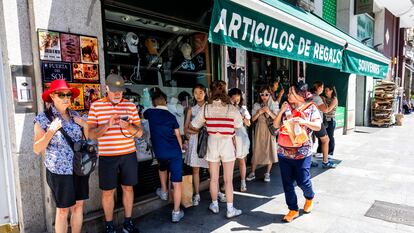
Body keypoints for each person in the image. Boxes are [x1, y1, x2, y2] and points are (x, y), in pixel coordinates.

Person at [87, 74, 142, 233]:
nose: (118, 94)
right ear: (106, 89)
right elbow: (91, 134)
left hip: (128, 154)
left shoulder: (130, 106)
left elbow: (139, 133)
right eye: (114, 91)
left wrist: (129, 127)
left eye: (120, 91)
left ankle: (127, 222)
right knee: (108, 191)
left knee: (128, 189)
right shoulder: (96, 106)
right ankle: (109, 226)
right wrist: (107, 125)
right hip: (107, 156)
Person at [33, 80, 89, 233]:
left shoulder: (75, 115)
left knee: (78, 206)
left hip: (79, 167)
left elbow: (86, 140)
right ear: (52, 96)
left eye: (68, 95)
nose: (66, 98)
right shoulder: (43, 118)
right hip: (59, 171)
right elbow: (37, 148)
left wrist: (85, 125)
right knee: (63, 210)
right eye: (61, 94)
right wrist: (50, 131)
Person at [191, 80, 243, 219]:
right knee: (228, 180)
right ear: (225, 91)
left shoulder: (206, 108)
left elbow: (194, 124)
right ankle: (230, 209)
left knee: (213, 179)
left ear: (211, 91)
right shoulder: (231, 108)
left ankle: (214, 205)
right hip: (227, 144)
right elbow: (239, 124)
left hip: (212, 143)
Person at [273, 82, 322, 223]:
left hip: (302, 152)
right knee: (287, 183)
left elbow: (318, 126)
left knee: (303, 181)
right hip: (283, 152)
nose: (288, 95)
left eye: (290, 93)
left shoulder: (311, 108)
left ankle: (309, 197)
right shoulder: (286, 107)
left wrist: (303, 121)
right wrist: (281, 111)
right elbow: (276, 125)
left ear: (299, 95)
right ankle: (293, 209)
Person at [144, 89, 185, 223]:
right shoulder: (171, 116)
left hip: (160, 152)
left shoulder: (150, 112)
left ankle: (164, 191)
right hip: (174, 151)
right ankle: (176, 212)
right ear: (166, 102)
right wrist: (181, 150)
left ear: (153, 102)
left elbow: (141, 114)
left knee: (162, 167)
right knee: (177, 182)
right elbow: (178, 135)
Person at [246, 86, 279, 182]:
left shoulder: (274, 104)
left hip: (270, 129)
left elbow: (277, 119)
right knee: (257, 149)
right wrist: (259, 112)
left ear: (270, 94)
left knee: (270, 150)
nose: (264, 96)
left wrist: (268, 111)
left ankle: (267, 173)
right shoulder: (257, 104)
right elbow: (252, 119)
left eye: (266, 94)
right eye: (262, 94)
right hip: (260, 128)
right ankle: (252, 172)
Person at [184, 84, 209, 205]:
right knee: (195, 169)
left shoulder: (209, 107)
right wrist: (199, 130)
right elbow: (186, 129)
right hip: (195, 141)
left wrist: (195, 129)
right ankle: (197, 194)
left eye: (201, 92)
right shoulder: (191, 109)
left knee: (213, 168)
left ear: (205, 93)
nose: (198, 95)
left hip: (209, 141)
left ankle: (216, 192)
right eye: (195, 93)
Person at [228, 88, 251, 192]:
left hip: (240, 136)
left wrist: (241, 116)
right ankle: (228, 183)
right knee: (229, 161)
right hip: (229, 136)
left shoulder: (243, 108)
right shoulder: (227, 108)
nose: (235, 98)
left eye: (238, 96)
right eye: (233, 96)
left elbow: (248, 123)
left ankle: (243, 182)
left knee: (241, 160)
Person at [310, 81, 335, 169]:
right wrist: (333, 103)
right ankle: (325, 162)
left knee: (311, 141)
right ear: (319, 88)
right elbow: (325, 110)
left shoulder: (309, 95)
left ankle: (308, 160)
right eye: (322, 87)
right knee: (326, 140)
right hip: (316, 122)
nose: (323, 89)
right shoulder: (317, 98)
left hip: (308, 122)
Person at [324, 85, 338, 156]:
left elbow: (327, 110)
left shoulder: (334, 99)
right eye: (325, 90)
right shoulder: (325, 98)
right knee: (323, 136)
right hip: (324, 120)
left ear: (331, 91)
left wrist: (323, 102)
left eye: (327, 90)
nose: (325, 92)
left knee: (330, 137)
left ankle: (330, 153)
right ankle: (321, 152)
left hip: (330, 120)